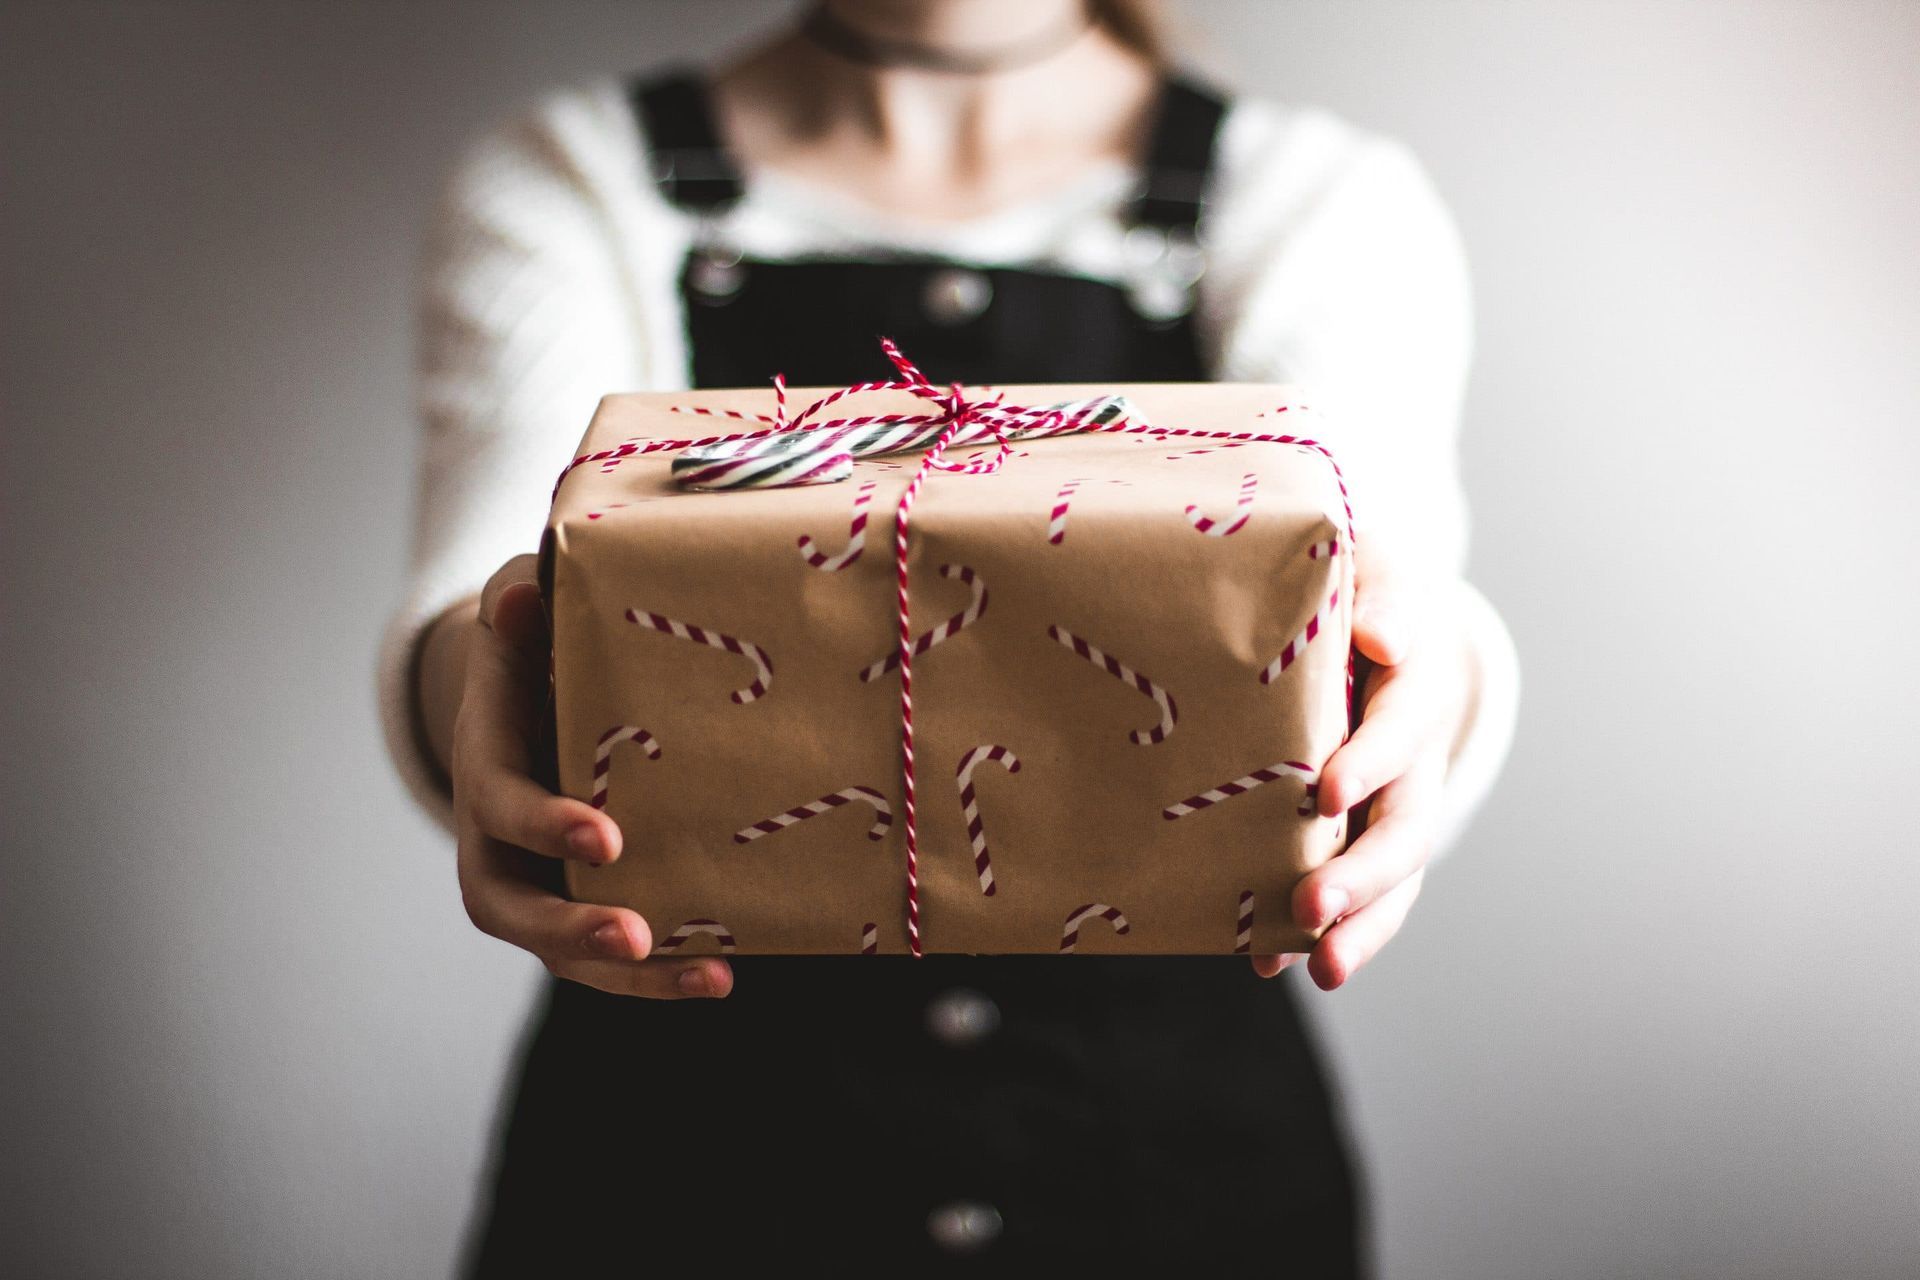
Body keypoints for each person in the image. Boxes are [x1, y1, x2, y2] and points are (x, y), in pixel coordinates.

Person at [376, 0, 1519, 1271]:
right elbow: (491, 586)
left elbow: (1390, 580)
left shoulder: (1314, 196)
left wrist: (1438, 680)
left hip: (1178, 1191)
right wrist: (476, 696)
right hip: (677, 1195)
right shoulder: (576, 181)